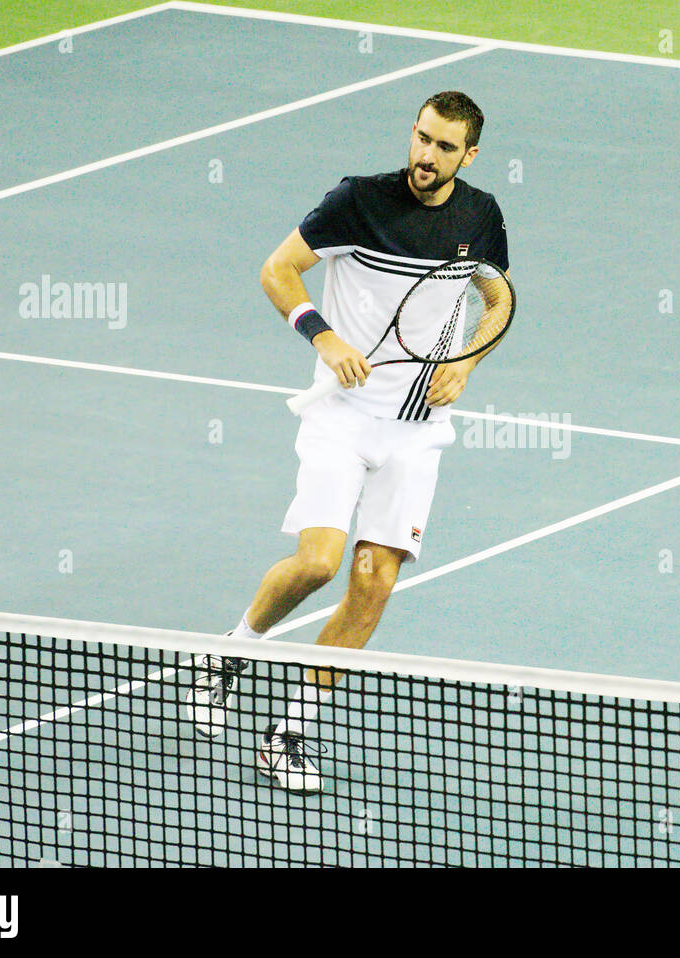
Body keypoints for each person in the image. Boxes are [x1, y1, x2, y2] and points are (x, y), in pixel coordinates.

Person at [184, 91, 509, 792]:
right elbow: (277, 269)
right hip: (341, 416)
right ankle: (229, 654)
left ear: (469, 155)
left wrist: (466, 361)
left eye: (444, 147)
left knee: (374, 583)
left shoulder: (479, 217)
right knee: (319, 565)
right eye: (422, 138)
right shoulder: (356, 202)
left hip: (417, 431)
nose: (427, 155)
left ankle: (291, 730)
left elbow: (499, 297)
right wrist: (322, 335)